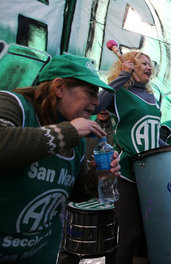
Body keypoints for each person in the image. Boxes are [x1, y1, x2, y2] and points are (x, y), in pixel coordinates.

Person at [0, 54, 121, 263]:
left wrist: (97, 176)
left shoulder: (77, 139)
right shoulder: (13, 104)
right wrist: (67, 132)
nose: (96, 102)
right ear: (60, 88)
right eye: (90, 92)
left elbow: (72, 193)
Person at [95, 51, 161, 263]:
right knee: (129, 235)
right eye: (143, 63)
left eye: (150, 64)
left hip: (150, 174)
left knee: (147, 234)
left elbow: (152, 136)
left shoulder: (153, 98)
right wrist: (122, 76)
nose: (149, 67)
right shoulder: (120, 94)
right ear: (131, 66)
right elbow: (97, 105)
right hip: (126, 174)